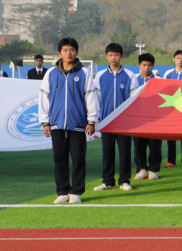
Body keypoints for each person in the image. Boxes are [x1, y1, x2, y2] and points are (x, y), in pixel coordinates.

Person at [38, 37, 99, 204]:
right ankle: (63, 192)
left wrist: (91, 120)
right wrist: (45, 122)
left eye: (72, 50)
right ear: (59, 53)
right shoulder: (50, 74)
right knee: (59, 158)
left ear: (77, 52)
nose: (69, 53)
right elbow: (44, 97)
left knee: (79, 158)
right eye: (65, 50)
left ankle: (76, 192)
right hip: (56, 123)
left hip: (78, 124)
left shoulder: (84, 73)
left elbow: (91, 97)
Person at [93, 43, 138, 192]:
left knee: (125, 152)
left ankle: (124, 180)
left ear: (122, 56)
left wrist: (130, 118)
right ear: (106, 56)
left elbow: (134, 99)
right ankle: (108, 181)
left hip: (124, 122)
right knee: (107, 152)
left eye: (116, 55)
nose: (113, 57)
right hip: (106, 121)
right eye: (111, 55)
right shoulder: (99, 76)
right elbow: (96, 99)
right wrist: (96, 118)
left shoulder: (130, 75)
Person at [133, 53, 162, 182]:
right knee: (138, 145)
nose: (147, 68)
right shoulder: (132, 79)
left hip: (155, 120)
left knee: (154, 145)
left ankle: (153, 170)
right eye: (144, 65)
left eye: (149, 65)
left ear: (153, 66)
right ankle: (141, 169)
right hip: (137, 119)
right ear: (139, 65)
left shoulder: (159, 81)